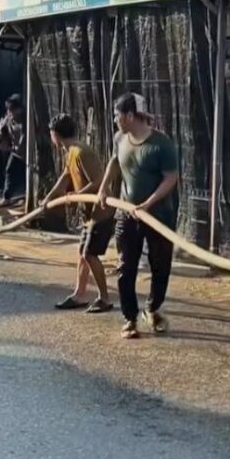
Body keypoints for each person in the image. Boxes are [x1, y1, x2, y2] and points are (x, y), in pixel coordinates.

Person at [97, 93, 179, 340]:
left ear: (130, 115)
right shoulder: (120, 138)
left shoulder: (161, 144)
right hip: (127, 213)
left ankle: (152, 309)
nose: (114, 119)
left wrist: (148, 203)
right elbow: (114, 161)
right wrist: (103, 188)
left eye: (117, 114)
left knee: (160, 265)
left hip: (158, 216)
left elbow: (171, 178)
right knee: (126, 266)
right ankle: (129, 318)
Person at [43, 113, 114, 314]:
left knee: (89, 254)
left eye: (51, 134)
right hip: (89, 214)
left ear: (55, 134)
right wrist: (48, 198)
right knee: (82, 254)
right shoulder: (71, 152)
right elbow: (65, 178)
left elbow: (98, 181)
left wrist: (76, 195)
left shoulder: (82, 151)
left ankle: (105, 299)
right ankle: (80, 294)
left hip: (101, 212)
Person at [0, 94, 27, 204]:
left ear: (19, 109)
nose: (11, 113)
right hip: (16, 152)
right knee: (9, 170)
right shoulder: (8, 118)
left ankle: (27, 196)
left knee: (26, 175)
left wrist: (15, 147)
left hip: (28, 153)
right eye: (9, 110)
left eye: (13, 110)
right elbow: (2, 132)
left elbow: (23, 139)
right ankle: (7, 197)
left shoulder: (25, 120)